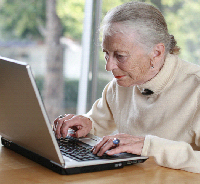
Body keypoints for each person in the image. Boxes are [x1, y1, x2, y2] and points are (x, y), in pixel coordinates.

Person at [54, 1, 200, 173]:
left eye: (120, 55)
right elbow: (96, 123)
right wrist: (84, 124)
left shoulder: (195, 88)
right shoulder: (121, 84)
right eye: (106, 54)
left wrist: (149, 146)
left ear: (156, 53)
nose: (109, 66)